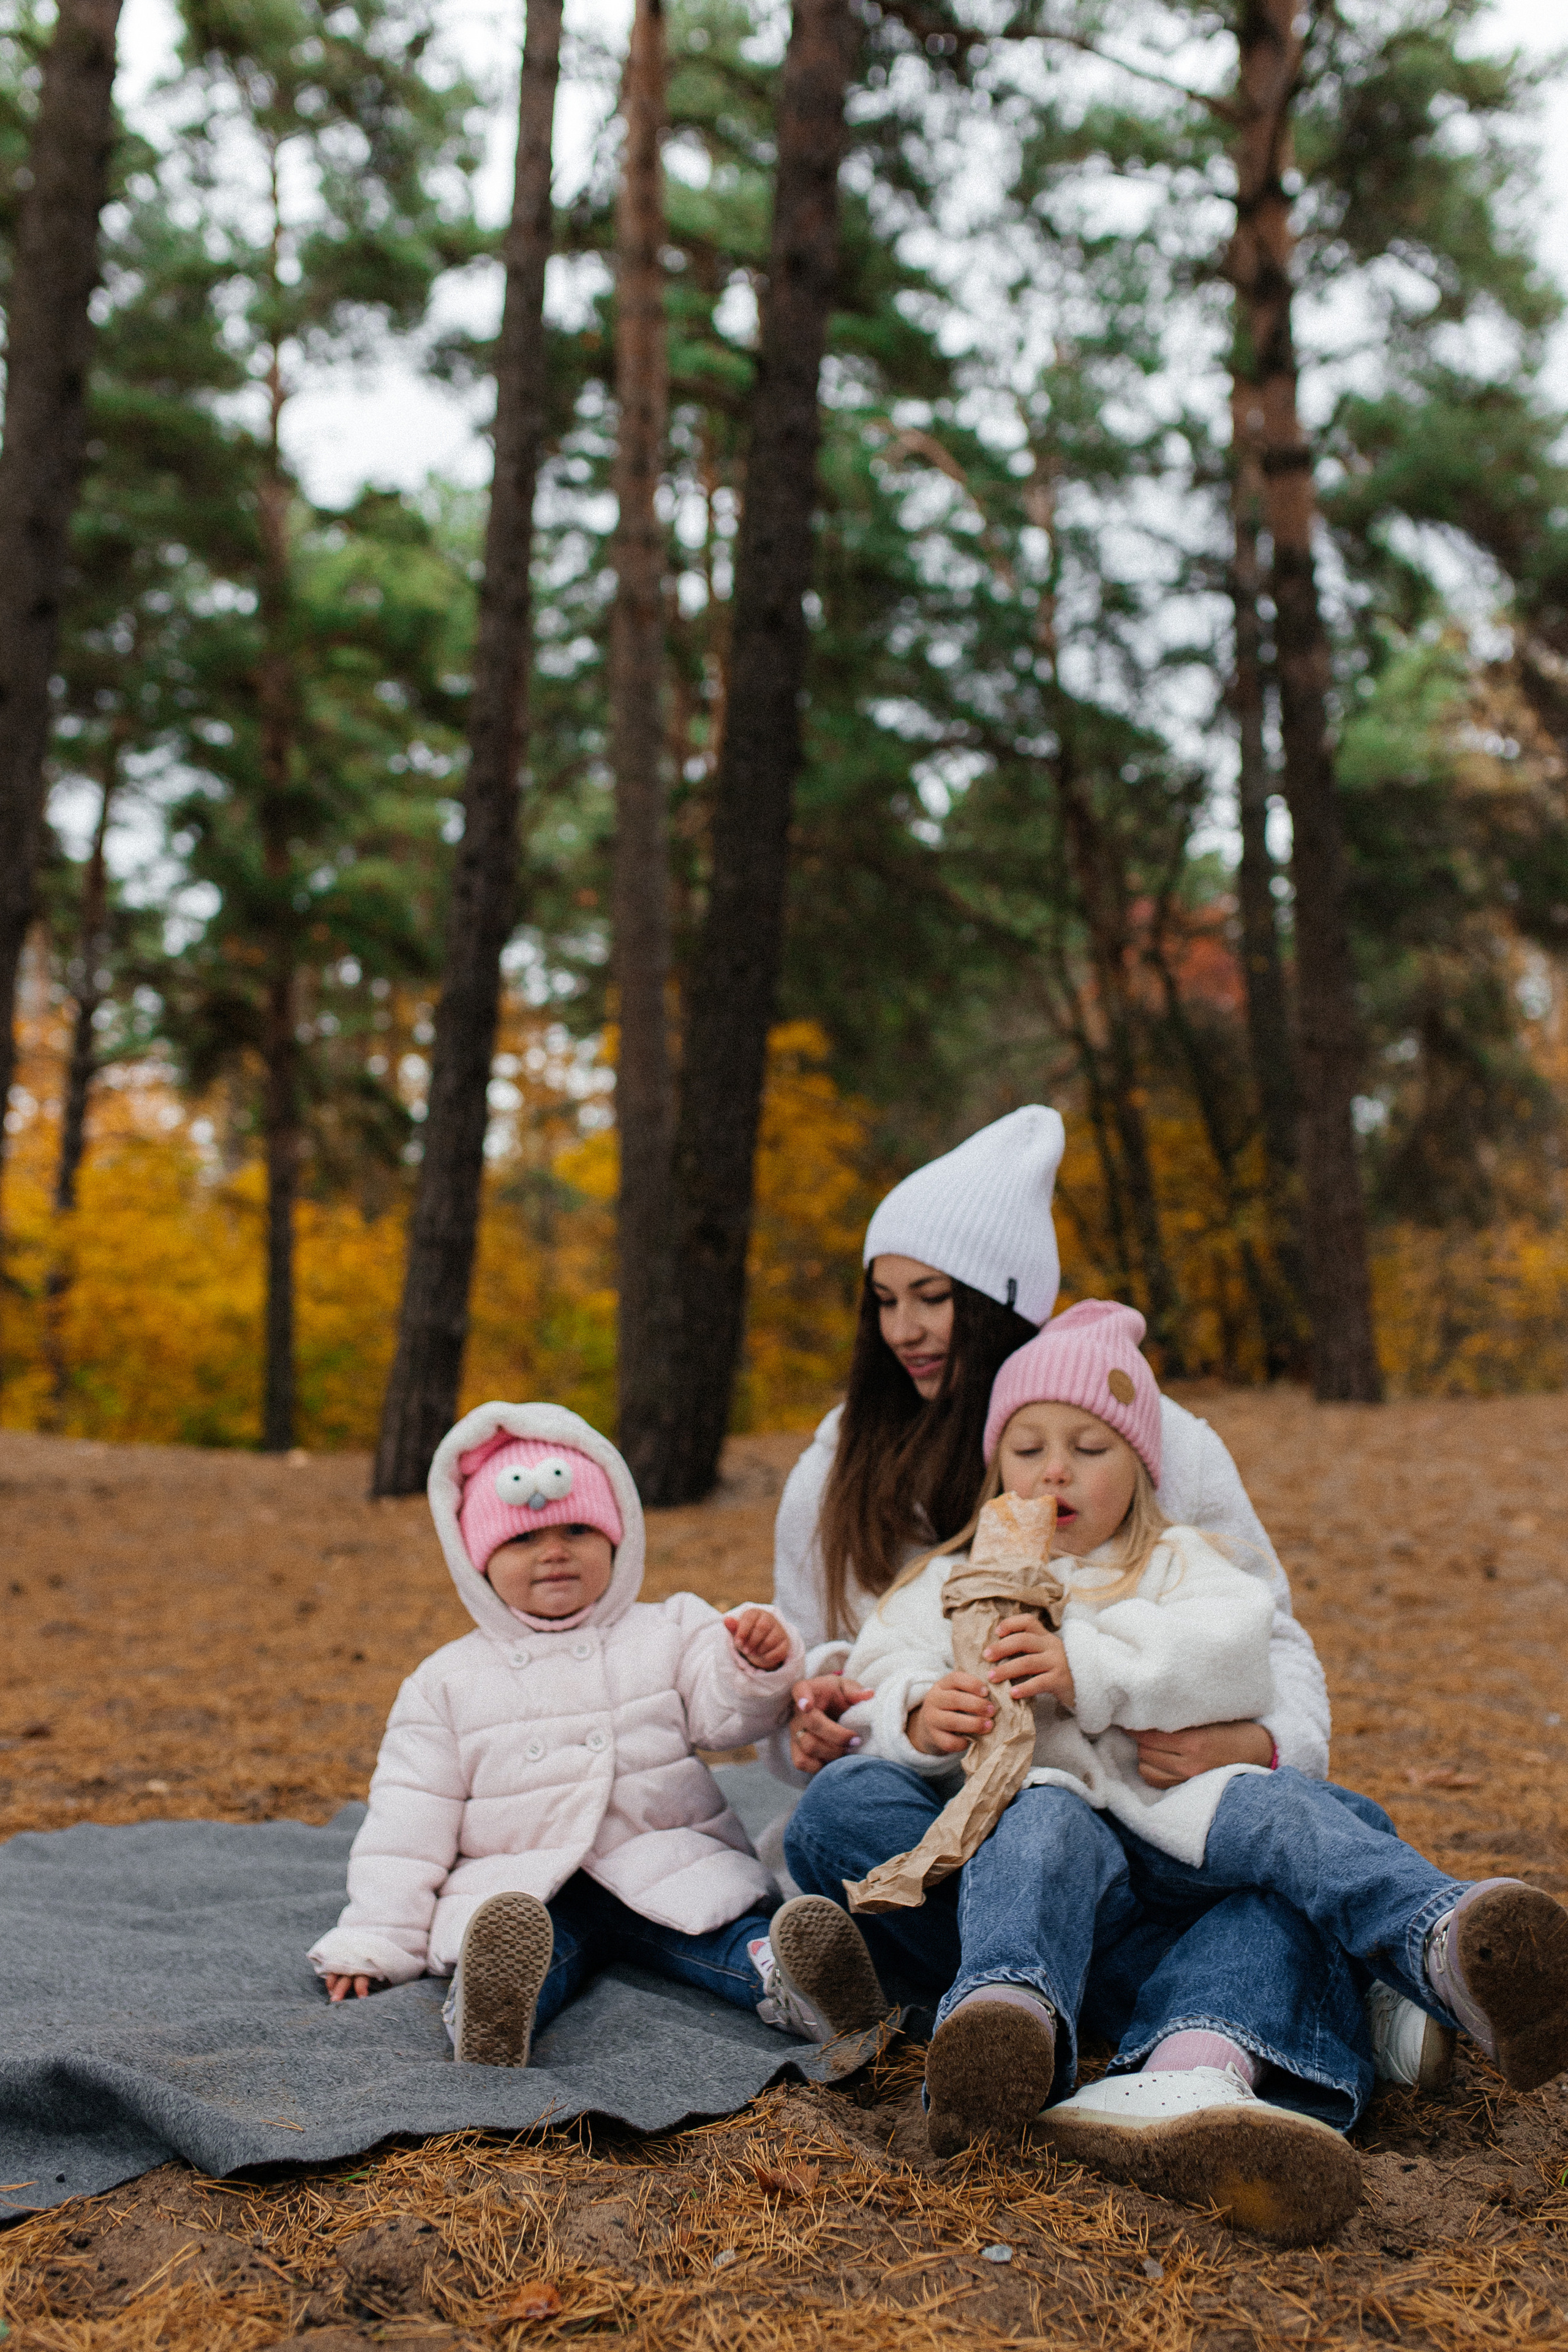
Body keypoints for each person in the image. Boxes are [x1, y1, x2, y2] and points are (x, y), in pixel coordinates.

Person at [788, 1303, 1568, 2178]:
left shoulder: (1177, 1560)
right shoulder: (958, 1579)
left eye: (1090, 1451)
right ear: (994, 1464)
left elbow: (1234, 1645)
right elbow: (883, 1660)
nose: (1055, 1475)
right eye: (1028, 1449)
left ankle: (1447, 1942)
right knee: (1038, 1824)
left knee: (1293, 1820)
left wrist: (1088, 1667)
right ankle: (1007, 2017)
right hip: (1053, 1828)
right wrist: (917, 1710)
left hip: (1180, 1813)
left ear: (1141, 1465)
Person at [769, 1106, 1329, 1794]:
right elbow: (813, 1670)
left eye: (932, 1297)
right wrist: (822, 1712)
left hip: (1120, 1801)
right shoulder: (834, 1469)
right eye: (883, 1301)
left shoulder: (1146, 1437)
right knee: (842, 1810)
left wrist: (1268, 1744)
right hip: (924, 1790)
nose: (902, 1330)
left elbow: (1266, 1633)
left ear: (996, 1303)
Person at [307, 1401, 887, 2065]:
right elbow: (407, 1826)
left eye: (578, 1530)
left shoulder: (670, 1629)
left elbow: (728, 1719)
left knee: (729, 1932)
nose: (554, 1553)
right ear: (477, 1561)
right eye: (523, 1540)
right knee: (522, 1949)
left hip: (664, 1863)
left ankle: (798, 1981)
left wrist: (751, 1666)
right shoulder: (447, 1682)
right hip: (529, 1886)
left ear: (618, 1537)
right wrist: (376, 1939)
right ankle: (490, 2006)